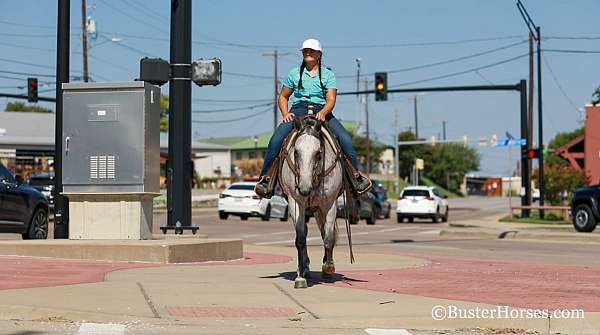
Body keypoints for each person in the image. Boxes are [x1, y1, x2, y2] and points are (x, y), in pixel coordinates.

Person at [254, 38, 371, 198]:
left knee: (346, 139)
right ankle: (266, 179)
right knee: (276, 139)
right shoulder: (294, 73)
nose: (308, 52)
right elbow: (283, 96)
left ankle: (356, 178)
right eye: (305, 50)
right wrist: (285, 113)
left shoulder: (328, 75)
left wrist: (323, 112)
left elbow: (331, 99)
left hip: (322, 112)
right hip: (298, 111)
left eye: (311, 50)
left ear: (319, 54)